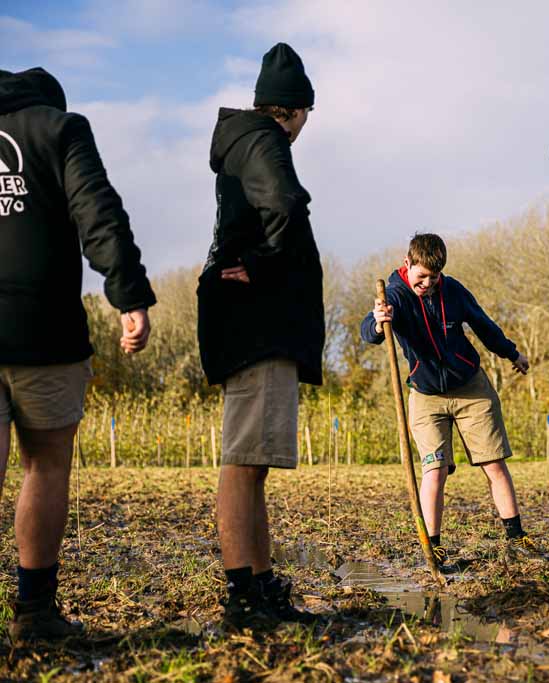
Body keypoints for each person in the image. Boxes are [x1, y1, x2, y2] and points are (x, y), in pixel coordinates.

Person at [0, 67, 155, 640]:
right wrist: (129, 294)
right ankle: (35, 614)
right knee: (44, 465)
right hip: (45, 330)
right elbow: (98, 212)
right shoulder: (61, 128)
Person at [197, 43, 324, 631]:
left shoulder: (243, 142)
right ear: (294, 110)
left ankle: (261, 584)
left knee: (252, 465)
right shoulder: (266, 141)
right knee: (244, 463)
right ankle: (243, 595)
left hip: (246, 322)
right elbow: (285, 207)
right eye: (306, 116)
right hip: (259, 324)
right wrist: (267, 264)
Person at [361, 233, 538, 567]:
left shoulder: (452, 290)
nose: (427, 283)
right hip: (426, 396)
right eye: (421, 276)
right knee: (435, 470)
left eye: (434, 277)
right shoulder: (395, 296)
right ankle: (435, 548)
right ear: (407, 262)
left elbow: (484, 325)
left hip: (471, 388)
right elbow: (368, 331)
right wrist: (376, 321)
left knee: (494, 464)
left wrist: (511, 353)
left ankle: (517, 537)